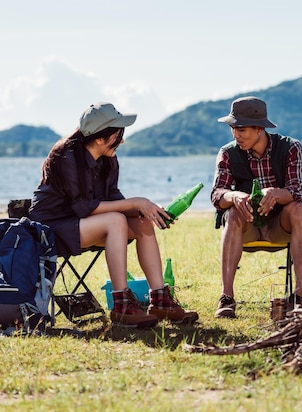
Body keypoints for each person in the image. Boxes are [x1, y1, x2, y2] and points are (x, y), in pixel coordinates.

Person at [29, 102, 198, 327]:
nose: (123, 139)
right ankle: (122, 305)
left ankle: (160, 301)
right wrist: (135, 202)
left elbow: (113, 198)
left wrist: (146, 209)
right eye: (118, 133)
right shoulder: (66, 156)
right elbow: (82, 207)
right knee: (116, 220)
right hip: (51, 230)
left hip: (86, 224)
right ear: (100, 137)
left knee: (143, 223)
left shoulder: (108, 158)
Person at [211, 96, 302, 318]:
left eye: (241, 129)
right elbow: (217, 194)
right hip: (245, 227)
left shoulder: (291, 148)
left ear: (259, 128)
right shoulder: (227, 152)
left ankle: (299, 296)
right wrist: (234, 195)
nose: (236, 134)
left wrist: (275, 193)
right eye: (233, 128)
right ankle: (226, 297)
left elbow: (298, 191)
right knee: (231, 210)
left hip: (279, 226)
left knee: (298, 209)